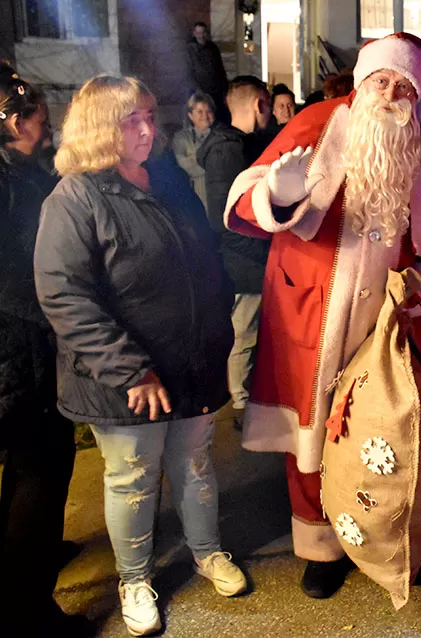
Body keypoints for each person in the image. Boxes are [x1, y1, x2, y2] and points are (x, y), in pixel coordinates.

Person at [224, 32, 421, 600]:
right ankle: (321, 546)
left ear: (417, 99)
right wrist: (281, 194)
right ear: (363, 81)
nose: (390, 93)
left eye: (403, 87)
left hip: (389, 319)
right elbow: (245, 201)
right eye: (382, 80)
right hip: (310, 311)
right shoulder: (316, 123)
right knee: (310, 431)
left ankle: (388, 535)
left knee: (388, 431)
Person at [34, 76, 247, 637]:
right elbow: (63, 293)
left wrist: (218, 320)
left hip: (192, 361)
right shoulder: (76, 196)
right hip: (128, 378)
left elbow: (203, 255)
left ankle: (207, 551)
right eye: (131, 120)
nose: (148, 129)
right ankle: (134, 577)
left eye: (150, 115)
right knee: (133, 476)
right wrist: (131, 368)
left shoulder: (168, 180)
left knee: (196, 463)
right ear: (100, 127)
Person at [0, 64, 93, 638]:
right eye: (37, 117)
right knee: (41, 469)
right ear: (12, 121)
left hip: (18, 349)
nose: (46, 125)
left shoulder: (20, 172)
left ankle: (19, 565)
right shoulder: (12, 183)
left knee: (23, 469)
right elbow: (17, 276)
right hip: (18, 353)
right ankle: (29, 614)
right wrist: (60, 315)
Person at [198, 76, 273, 429]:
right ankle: (242, 405)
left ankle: (250, 401)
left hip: (249, 258)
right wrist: (262, 251)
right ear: (259, 104)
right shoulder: (229, 149)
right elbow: (226, 217)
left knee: (252, 333)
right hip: (245, 262)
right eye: (269, 106)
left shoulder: (237, 144)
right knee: (245, 333)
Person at [171, 91, 216, 208]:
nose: (205, 115)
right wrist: (213, 164)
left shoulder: (222, 136)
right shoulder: (181, 138)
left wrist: (195, 158)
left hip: (218, 193)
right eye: (200, 111)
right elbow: (182, 164)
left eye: (209, 111)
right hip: (196, 193)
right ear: (190, 115)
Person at [187, 21, 229, 123]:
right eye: (198, 33)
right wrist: (196, 88)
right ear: (194, 33)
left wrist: (224, 87)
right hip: (198, 90)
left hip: (215, 89)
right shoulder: (189, 49)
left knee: (216, 115)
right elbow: (187, 70)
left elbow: (219, 68)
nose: (200, 36)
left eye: (202, 33)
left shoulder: (212, 48)